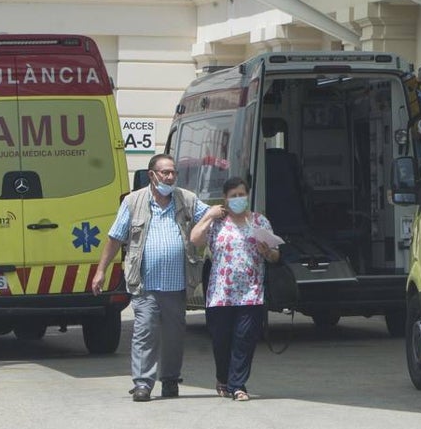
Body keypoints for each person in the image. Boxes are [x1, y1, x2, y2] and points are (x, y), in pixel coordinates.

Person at [92, 154, 208, 402]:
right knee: (144, 334)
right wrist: (101, 270)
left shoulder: (186, 199)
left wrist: (226, 215)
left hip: (177, 286)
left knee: (174, 337)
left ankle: (170, 380)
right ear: (152, 175)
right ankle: (143, 383)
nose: (170, 177)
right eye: (165, 172)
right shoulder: (134, 202)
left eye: (173, 172)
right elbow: (115, 238)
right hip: (145, 285)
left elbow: (209, 217)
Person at [190, 176, 282, 401]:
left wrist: (267, 252)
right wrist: (209, 216)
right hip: (221, 294)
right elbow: (195, 239)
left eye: (242, 195)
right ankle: (223, 378)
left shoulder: (260, 222)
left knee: (244, 339)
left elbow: (275, 255)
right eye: (234, 196)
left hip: (251, 293)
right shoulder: (217, 223)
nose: (239, 199)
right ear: (225, 199)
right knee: (222, 340)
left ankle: (238, 385)